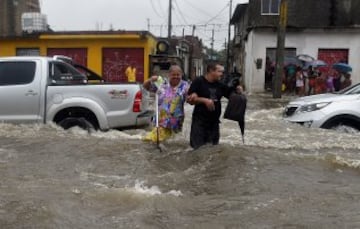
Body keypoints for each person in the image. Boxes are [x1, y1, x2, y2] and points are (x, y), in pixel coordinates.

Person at [187, 62, 239, 149]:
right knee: (197, 150)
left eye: (222, 72)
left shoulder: (220, 85)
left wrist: (238, 90)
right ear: (211, 71)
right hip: (200, 123)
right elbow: (190, 100)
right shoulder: (199, 81)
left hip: (214, 124)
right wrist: (204, 100)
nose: (222, 74)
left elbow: (232, 97)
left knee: (212, 151)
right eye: (220, 71)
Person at [143, 65, 189, 142]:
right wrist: (151, 79)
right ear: (169, 75)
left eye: (178, 75)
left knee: (174, 142)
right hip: (160, 120)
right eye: (173, 75)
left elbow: (190, 98)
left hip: (176, 120)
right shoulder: (162, 83)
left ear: (181, 75)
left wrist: (190, 96)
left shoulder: (185, 86)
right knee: (153, 140)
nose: (176, 77)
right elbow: (145, 86)